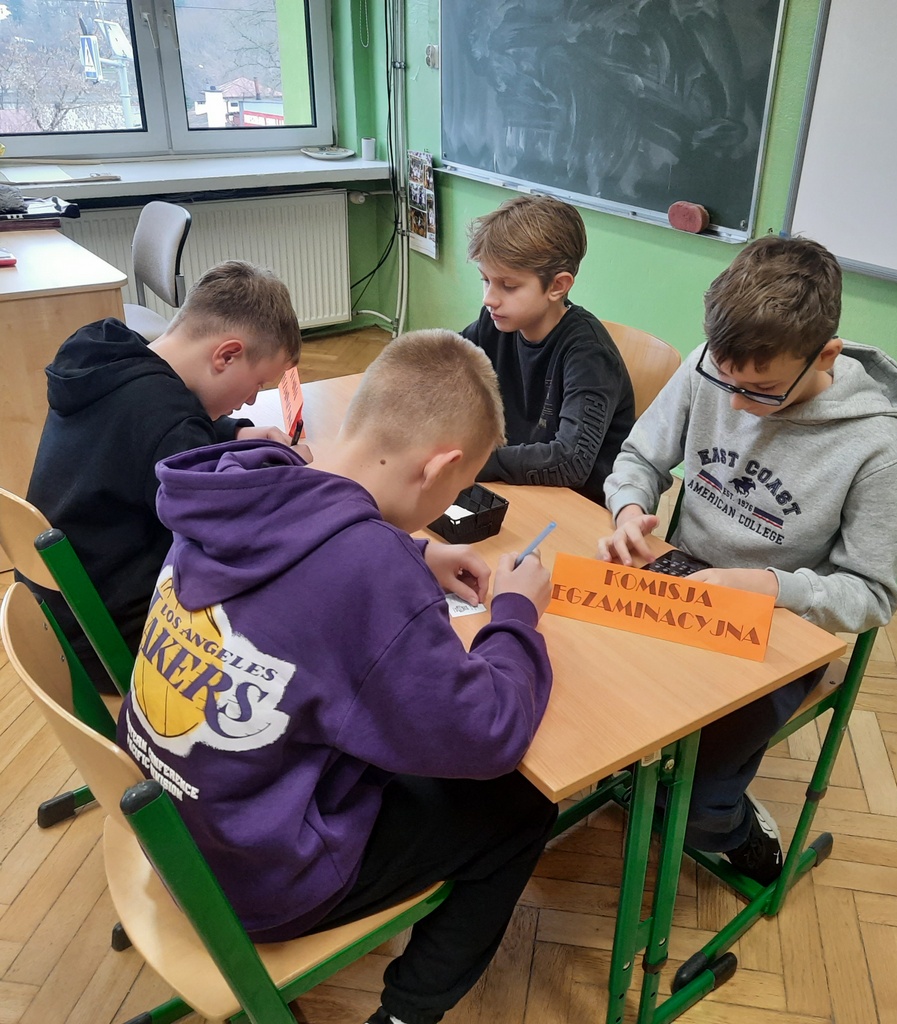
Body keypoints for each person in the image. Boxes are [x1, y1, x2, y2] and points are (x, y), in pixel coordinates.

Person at [116, 329, 557, 1024]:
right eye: (460, 486)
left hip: (174, 829)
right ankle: (406, 1014)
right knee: (521, 809)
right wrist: (515, 615)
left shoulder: (238, 484)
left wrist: (414, 553)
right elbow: (490, 732)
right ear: (441, 466)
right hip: (257, 878)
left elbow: (308, 560)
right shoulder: (367, 572)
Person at [598, 235, 897, 884]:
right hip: (681, 578)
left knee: (699, 802)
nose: (738, 405)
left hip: (782, 627)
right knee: (595, 697)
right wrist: (629, 509)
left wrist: (771, 587)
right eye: (728, 382)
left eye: (763, 390)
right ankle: (651, 783)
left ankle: (735, 829)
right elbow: (638, 458)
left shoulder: (878, 450)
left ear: (825, 355)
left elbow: (871, 596)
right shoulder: (708, 368)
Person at [23, 259, 303, 694]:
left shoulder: (112, 358)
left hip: (56, 615)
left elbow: (146, 433)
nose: (250, 400)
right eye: (259, 384)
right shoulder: (170, 425)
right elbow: (229, 534)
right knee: (289, 609)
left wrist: (233, 432)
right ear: (227, 355)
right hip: (110, 640)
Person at [461, 193, 635, 505]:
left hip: (577, 505)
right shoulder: (495, 322)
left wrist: (474, 462)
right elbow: (443, 366)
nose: (489, 298)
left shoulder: (589, 355)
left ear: (557, 286)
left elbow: (570, 461)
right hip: (516, 486)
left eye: (508, 286)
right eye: (485, 280)